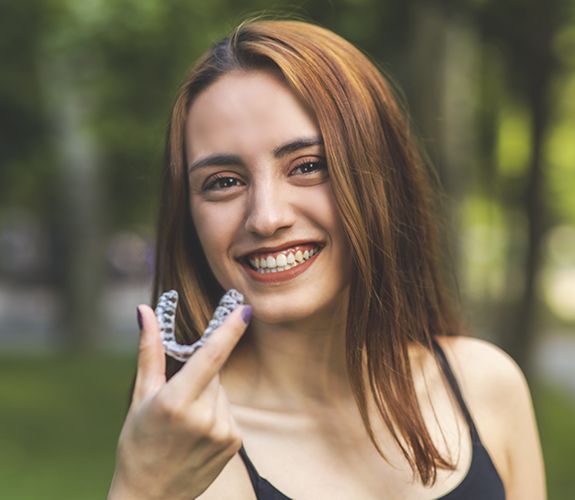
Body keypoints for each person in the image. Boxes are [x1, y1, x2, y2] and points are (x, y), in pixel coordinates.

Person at [108, 19, 546, 500]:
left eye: (308, 166)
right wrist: (141, 488)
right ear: (188, 218)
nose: (267, 217)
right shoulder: (195, 454)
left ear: (382, 177)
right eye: (224, 181)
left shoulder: (488, 385)